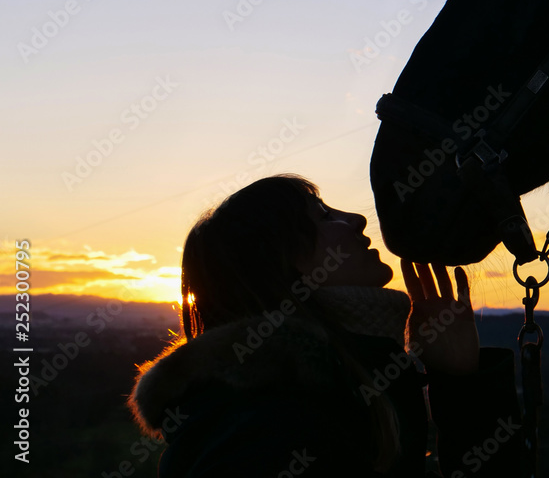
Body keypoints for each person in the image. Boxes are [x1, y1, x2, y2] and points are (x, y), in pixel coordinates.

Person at [129, 174, 524, 476]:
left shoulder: (340, 379)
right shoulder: (266, 417)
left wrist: (460, 379)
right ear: (285, 260)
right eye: (323, 217)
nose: (357, 219)